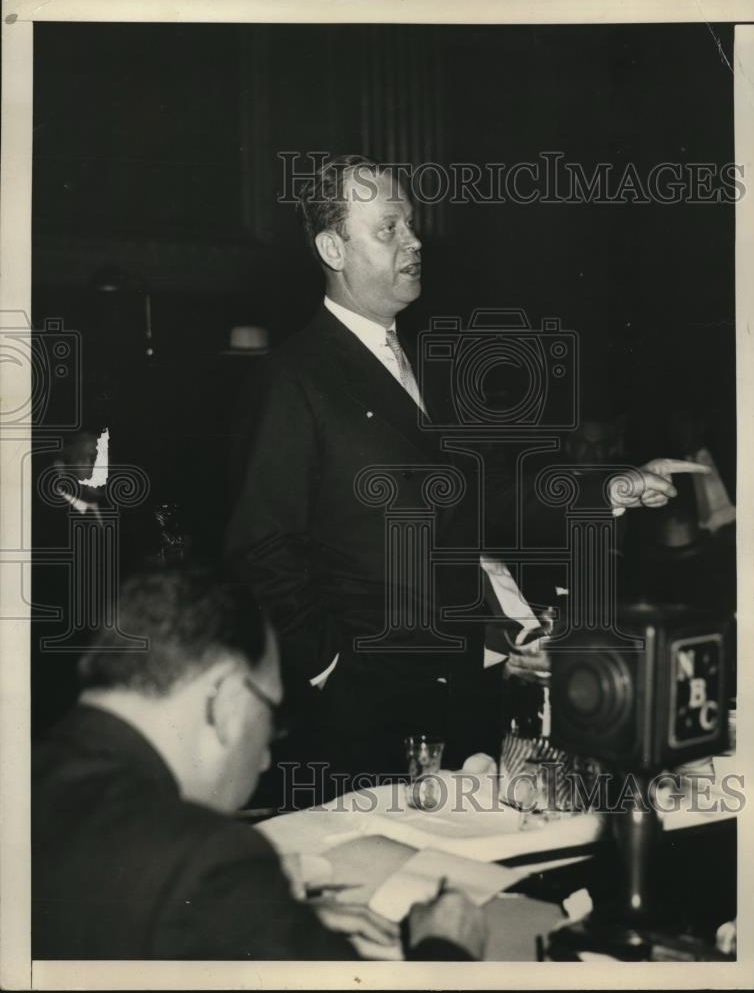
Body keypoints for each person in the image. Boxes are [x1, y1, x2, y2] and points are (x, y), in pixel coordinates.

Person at [225, 154, 709, 800]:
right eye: (389, 228)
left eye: (412, 225)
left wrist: (609, 487)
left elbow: (487, 502)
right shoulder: (295, 378)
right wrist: (331, 671)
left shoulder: (430, 368)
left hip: (461, 697)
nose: (414, 241)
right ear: (332, 247)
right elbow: (261, 545)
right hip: (363, 715)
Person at [32, 565, 487, 961]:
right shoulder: (207, 857)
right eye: (273, 717)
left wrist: (253, 921)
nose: (267, 757)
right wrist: (445, 950)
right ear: (227, 700)